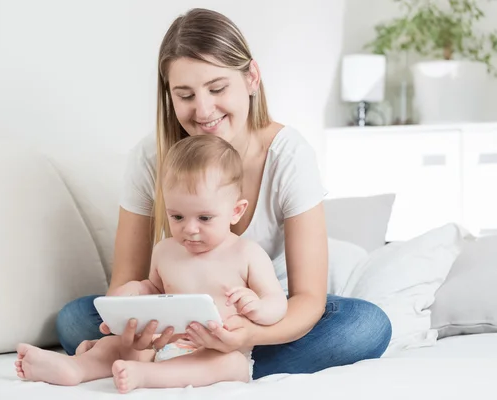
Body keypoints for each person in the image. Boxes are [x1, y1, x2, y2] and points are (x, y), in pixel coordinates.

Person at [56, 7, 392, 379]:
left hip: (257, 318)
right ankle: (197, 364)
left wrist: (247, 334)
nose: (203, 110)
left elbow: (308, 298)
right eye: (184, 95)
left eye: (217, 88)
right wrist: (138, 326)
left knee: (366, 325)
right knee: (75, 319)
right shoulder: (151, 157)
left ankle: (198, 364)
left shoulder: (288, 155)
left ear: (251, 78)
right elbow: (126, 283)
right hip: (174, 317)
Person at [15, 135, 288, 393]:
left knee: (231, 364)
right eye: (177, 216)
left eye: (204, 218)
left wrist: (258, 307)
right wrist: (134, 293)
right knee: (116, 344)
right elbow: (154, 288)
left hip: (217, 349)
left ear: (235, 211)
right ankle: (75, 368)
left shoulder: (247, 253)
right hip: (163, 344)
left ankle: (146, 376)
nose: (190, 229)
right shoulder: (166, 250)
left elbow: (277, 302)